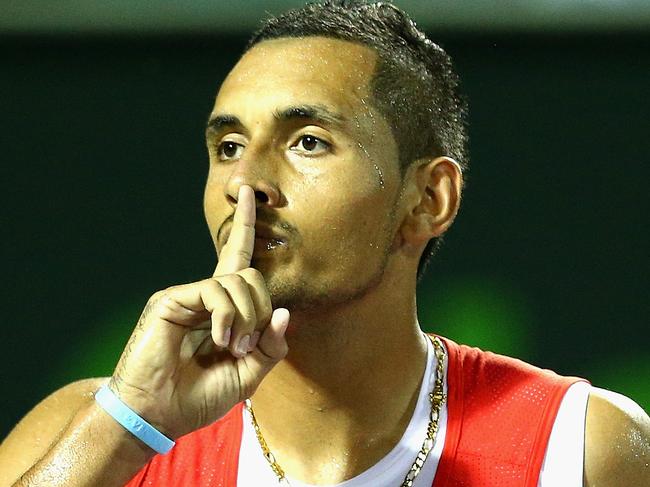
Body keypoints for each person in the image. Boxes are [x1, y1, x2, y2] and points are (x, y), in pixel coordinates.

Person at [1, 1, 648, 486]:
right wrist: (130, 422)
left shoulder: (583, 449)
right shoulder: (97, 435)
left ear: (429, 199)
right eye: (228, 146)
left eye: (308, 141)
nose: (245, 183)